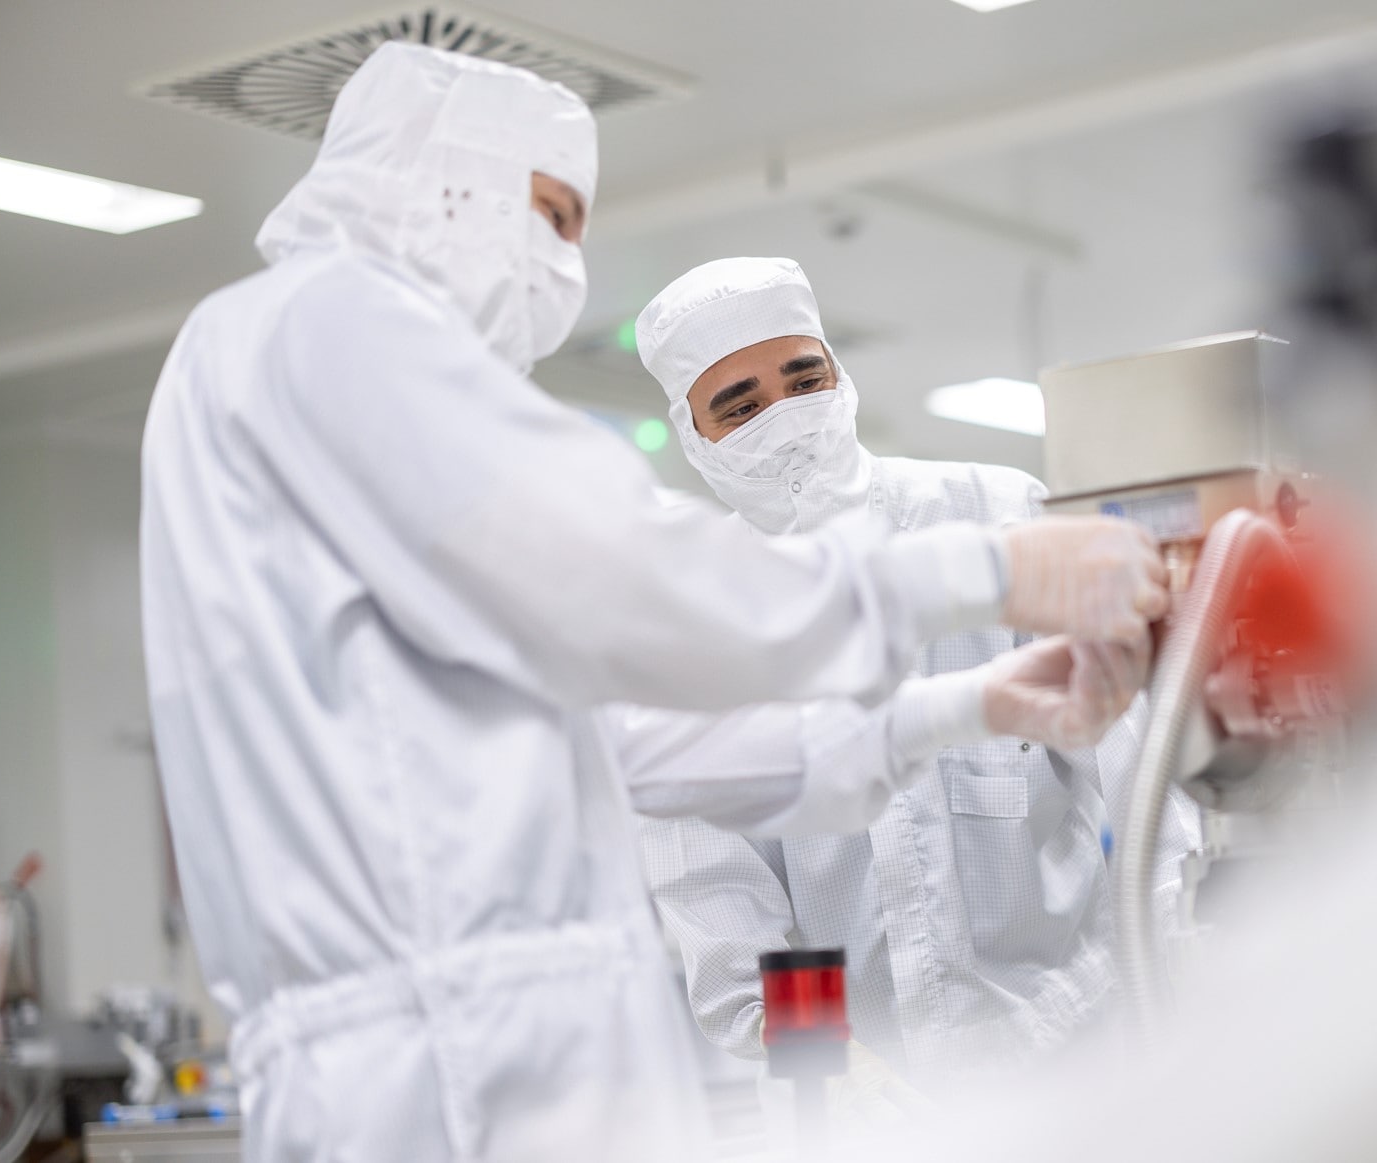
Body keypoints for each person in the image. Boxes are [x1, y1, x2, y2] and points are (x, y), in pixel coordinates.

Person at [139, 44, 1167, 1163]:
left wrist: (964, 709)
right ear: (446, 178)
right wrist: (990, 573)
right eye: (549, 216)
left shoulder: (303, 375)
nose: (563, 269)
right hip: (451, 1061)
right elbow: (634, 586)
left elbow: (653, 742)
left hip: (476, 1044)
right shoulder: (331, 328)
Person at [620, 258, 1201, 1116]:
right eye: (738, 405)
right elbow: (718, 893)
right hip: (860, 1100)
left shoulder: (998, 515)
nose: (782, 417)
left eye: (803, 378)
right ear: (695, 435)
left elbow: (1139, 772)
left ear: (840, 378)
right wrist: (835, 1071)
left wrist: (1169, 975)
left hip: (1076, 1058)